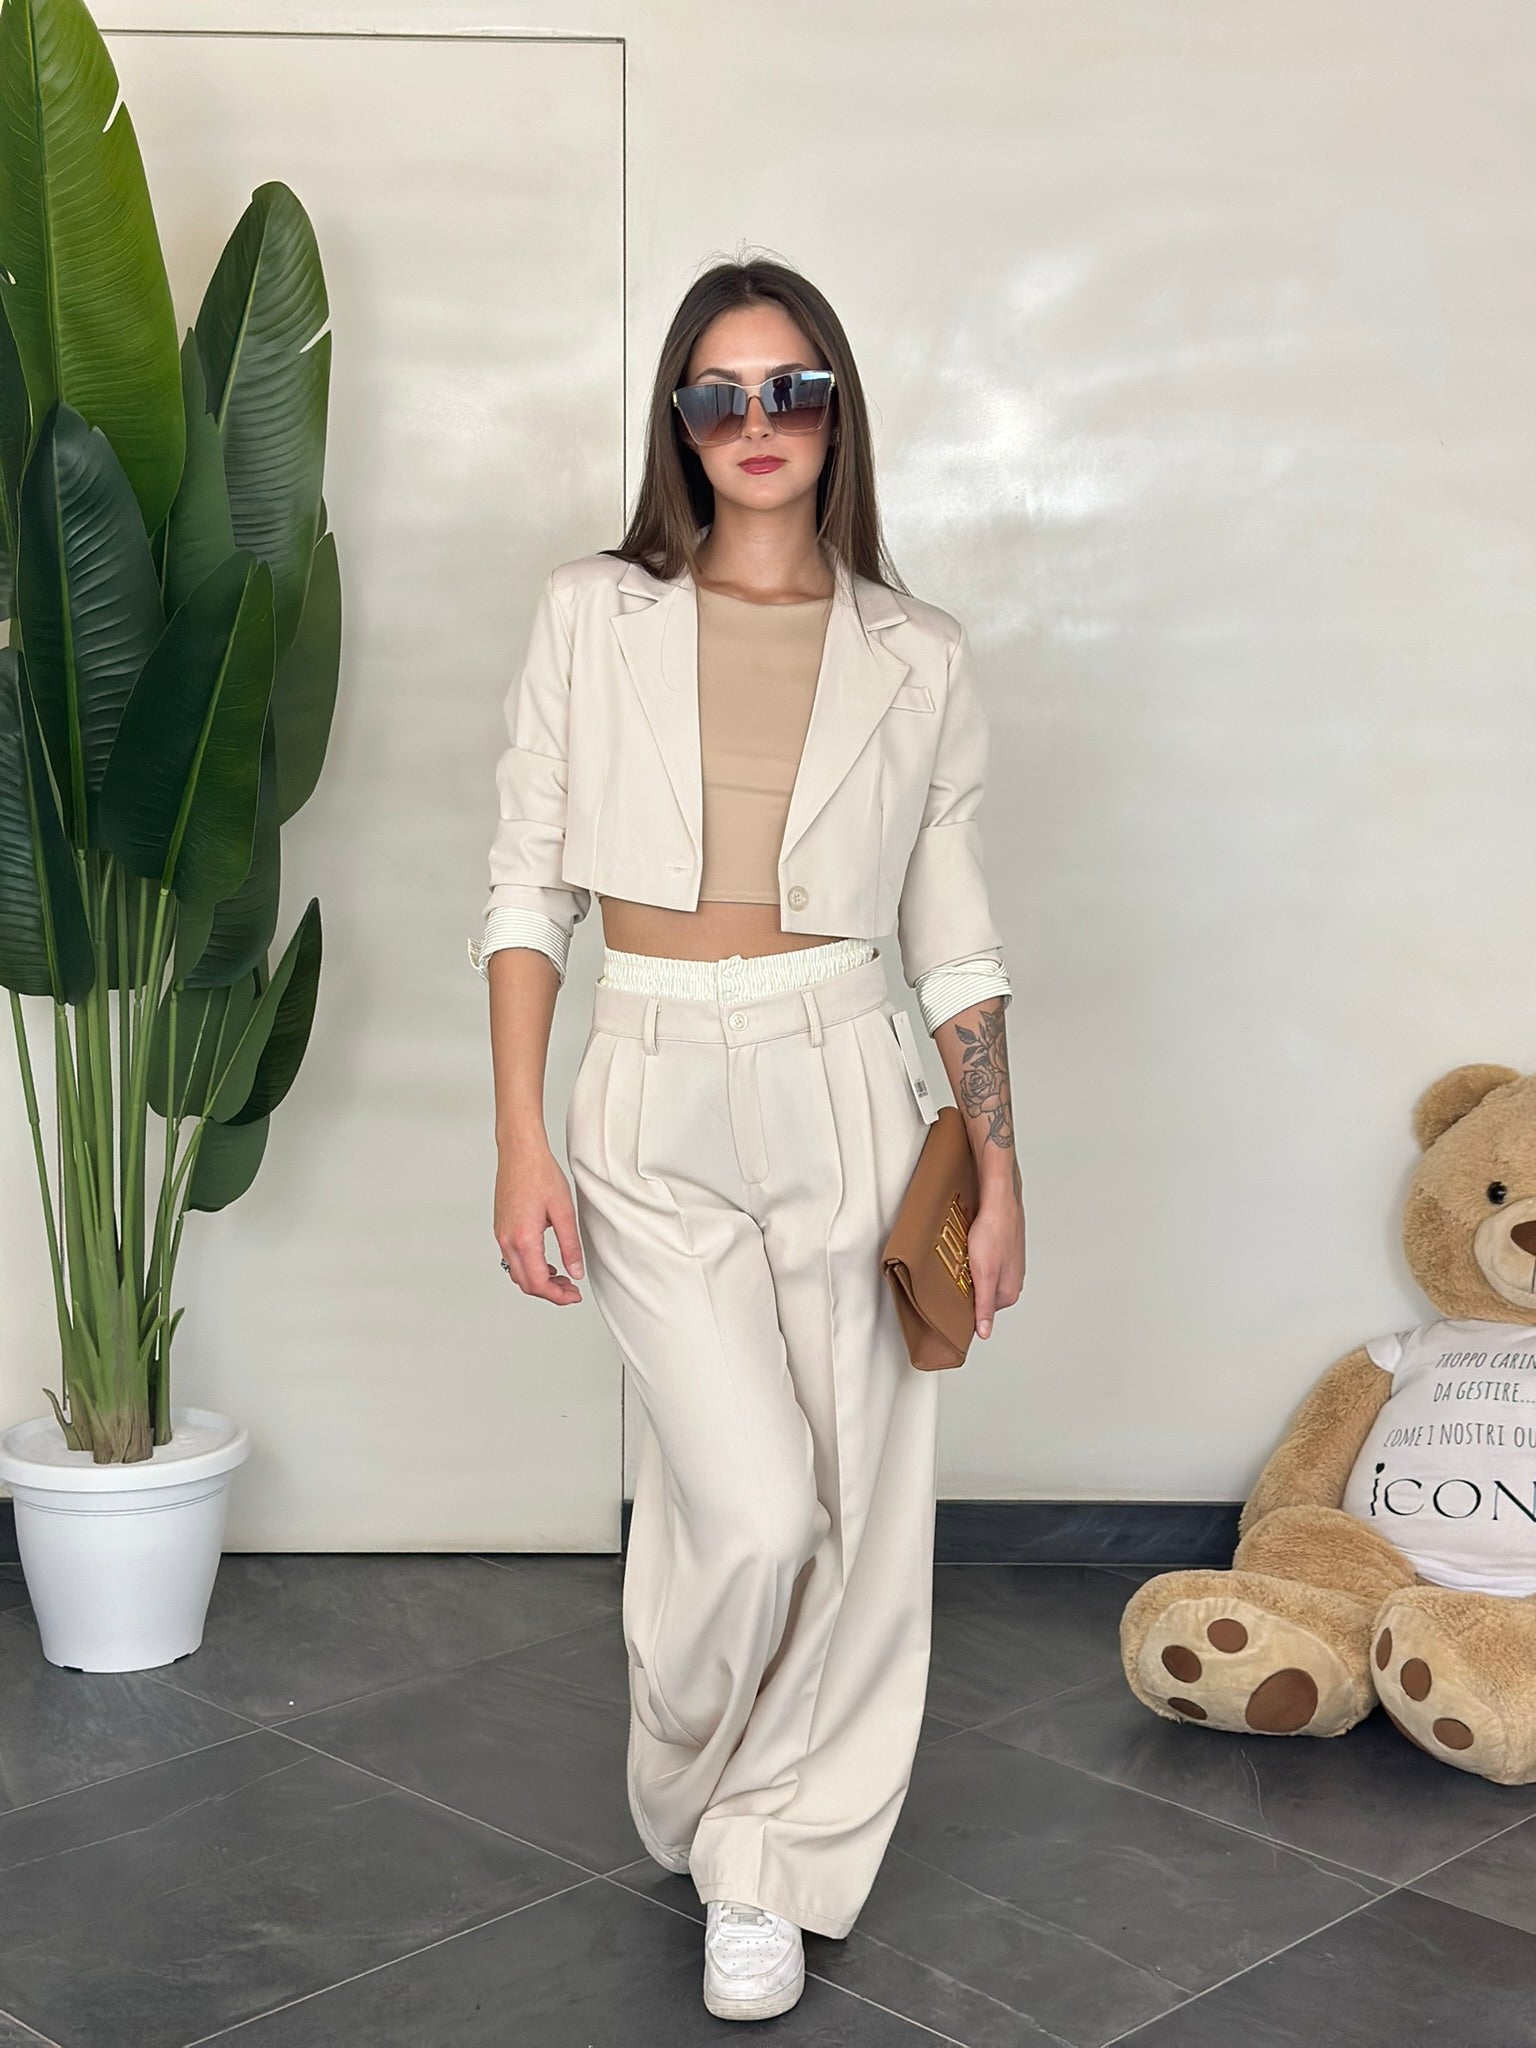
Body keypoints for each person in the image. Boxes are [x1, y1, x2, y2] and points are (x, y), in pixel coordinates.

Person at [471, 256, 1025, 2022]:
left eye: (792, 389)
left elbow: (953, 939)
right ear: (681, 423)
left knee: (856, 1503)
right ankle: (697, 1771)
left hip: (848, 1071)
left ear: (837, 411)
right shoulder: (592, 614)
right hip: (643, 1080)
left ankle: (766, 1865)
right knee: (756, 1507)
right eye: (721, 394)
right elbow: (527, 892)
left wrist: (1000, 1166)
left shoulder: (918, 655)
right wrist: (520, 1141)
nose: (758, 423)